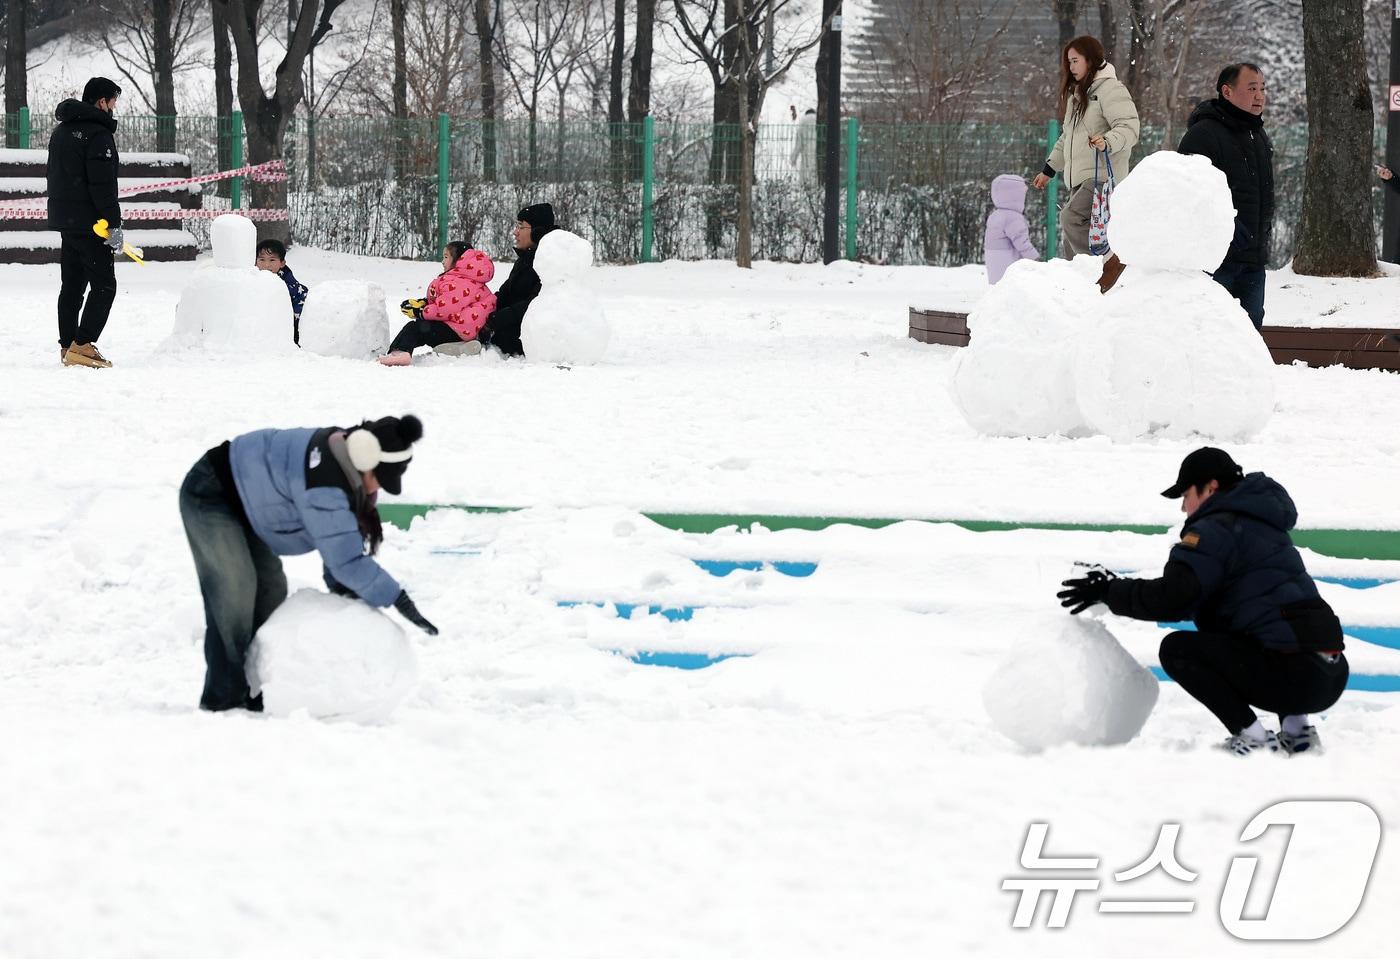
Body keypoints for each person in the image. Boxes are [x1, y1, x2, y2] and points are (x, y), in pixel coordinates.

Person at [1057, 447, 1347, 757]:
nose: (1184, 508)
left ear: (1210, 487)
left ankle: (1255, 740)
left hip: (1291, 676)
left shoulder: (1214, 528)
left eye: (1185, 496)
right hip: (1330, 673)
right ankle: (1298, 732)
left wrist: (1108, 591)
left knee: (1178, 650)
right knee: (1256, 629)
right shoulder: (1262, 524)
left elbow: (1173, 599)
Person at [179, 414, 439, 712]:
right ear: (366, 456)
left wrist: (347, 593)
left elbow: (340, 544)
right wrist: (397, 597)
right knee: (234, 594)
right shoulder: (326, 481)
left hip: (250, 507)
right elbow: (345, 559)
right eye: (380, 477)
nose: (376, 488)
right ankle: (223, 699)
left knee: (270, 590)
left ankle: (254, 686)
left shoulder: (346, 461)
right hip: (212, 493)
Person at [1177, 63, 1274, 330]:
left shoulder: (1257, 134)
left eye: (1263, 89)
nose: (1259, 96)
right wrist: (1227, 226)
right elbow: (1188, 191)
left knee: (1250, 335)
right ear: (1227, 92)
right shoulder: (1203, 134)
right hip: (1217, 261)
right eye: (1252, 88)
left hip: (1253, 259)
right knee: (1210, 333)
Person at [1032, 36, 1140, 258]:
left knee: (1070, 218)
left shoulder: (1110, 89)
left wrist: (1107, 141)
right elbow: (1068, 137)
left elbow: (1129, 127)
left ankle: (1108, 263)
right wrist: (1049, 170)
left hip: (1101, 178)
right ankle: (1082, 285)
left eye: (1075, 61)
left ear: (1090, 60)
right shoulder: (1078, 95)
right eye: (1068, 62)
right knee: (1071, 243)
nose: (1070, 67)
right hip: (1079, 180)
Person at [47, 77, 125, 369]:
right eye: (113, 102)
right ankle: (83, 345)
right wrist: (113, 225)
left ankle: (67, 345)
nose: (114, 108)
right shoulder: (98, 135)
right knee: (105, 286)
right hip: (92, 225)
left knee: (72, 286)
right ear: (102, 101)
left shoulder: (62, 131)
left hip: (67, 221)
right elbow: (103, 187)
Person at [381, 241, 496, 366]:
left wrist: (420, 312)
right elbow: (447, 301)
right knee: (427, 329)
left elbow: (445, 310)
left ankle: (399, 352)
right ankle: (456, 347)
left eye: (446, 257)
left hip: (456, 330)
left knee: (416, 328)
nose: (442, 261)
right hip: (464, 331)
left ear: (460, 261)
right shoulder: (470, 280)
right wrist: (424, 303)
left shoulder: (458, 282)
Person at [478, 204, 557, 357]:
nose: (515, 232)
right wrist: (482, 308)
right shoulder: (525, 260)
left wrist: (501, 318)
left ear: (537, 232)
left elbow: (537, 303)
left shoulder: (550, 264)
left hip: (530, 335)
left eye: (521, 227)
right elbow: (505, 293)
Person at [984, 174, 1039, 284]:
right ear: (1015, 196)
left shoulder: (995, 215)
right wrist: (1034, 258)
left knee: (998, 286)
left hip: (993, 259)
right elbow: (1022, 242)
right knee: (1010, 285)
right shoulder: (1013, 218)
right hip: (1007, 260)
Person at [255, 239, 309, 345]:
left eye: (272, 260)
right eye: (262, 259)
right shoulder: (253, 277)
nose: (266, 265)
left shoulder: (287, 284)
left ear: (282, 263)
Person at [790, 108, 818, 181]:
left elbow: (798, 144)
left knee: (805, 171)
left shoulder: (802, 122)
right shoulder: (819, 120)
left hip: (806, 151)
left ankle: (805, 187)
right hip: (818, 151)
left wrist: (793, 158)